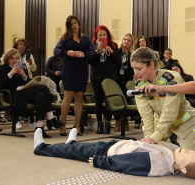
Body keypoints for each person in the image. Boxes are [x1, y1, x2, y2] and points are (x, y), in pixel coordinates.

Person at [34, 128, 195, 178]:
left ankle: (41, 148)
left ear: (184, 168)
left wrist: (101, 162)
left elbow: (128, 164)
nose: (188, 151)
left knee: (79, 151)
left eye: (188, 154)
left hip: (109, 153)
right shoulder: (172, 154)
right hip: (118, 145)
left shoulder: (160, 164)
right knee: (80, 148)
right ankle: (72, 144)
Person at [130, 47, 195, 150]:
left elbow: (170, 112)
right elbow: (146, 116)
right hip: (161, 125)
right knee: (154, 154)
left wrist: (156, 137)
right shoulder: (140, 85)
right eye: (133, 69)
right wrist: (149, 137)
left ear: (151, 64)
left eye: (139, 69)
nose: (135, 73)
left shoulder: (171, 78)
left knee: (188, 161)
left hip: (185, 123)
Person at [0, 48, 64, 138]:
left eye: (17, 58)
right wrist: (11, 73)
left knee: (41, 96)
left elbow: (28, 83)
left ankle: (39, 129)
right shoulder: (2, 68)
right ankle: (51, 118)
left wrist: (23, 75)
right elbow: (0, 85)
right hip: (13, 95)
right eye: (12, 58)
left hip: (25, 93)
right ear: (7, 59)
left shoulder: (21, 67)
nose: (15, 60)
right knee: (43, 88)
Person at [53, 15, 95, 136]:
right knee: (68, 96)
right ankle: (63, 125)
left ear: (79, 24)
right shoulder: (65, 38)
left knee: (80, 97)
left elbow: (92, 53)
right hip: (69, 70)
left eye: (75, 23)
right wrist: (68, 53)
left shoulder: (86, 38)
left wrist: (84, 55)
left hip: (81, 70)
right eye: (71, 24)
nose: (74, 25)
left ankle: (77, 126)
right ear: (68, 26)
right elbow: (55, 51)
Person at [89, 25, 119, 134]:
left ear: (108, 36)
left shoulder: (114, 46)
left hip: (109, 77)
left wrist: (111, 52)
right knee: (98, 101)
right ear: (96, 36)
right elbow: (90, 61)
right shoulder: (92, 46)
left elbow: (118, 61)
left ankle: (107, 124)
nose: (102, 36)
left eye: (104, 35)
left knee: (108, 101)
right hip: (96, 77)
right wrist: (97, 51)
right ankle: (99, 126)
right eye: (100, 35)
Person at [13, 37, 37, 128]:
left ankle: (31, 121)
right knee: (17, 101)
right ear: (16, 46)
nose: (22, 47)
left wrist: (31, 63)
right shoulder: (13, 54)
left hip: (27, 80)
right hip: (16, 81)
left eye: (24, 45)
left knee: (30, 99)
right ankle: (17, 121)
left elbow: (34, 69)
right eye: (20, 45)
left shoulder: (29, 55)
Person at [117, 33, 135, 131]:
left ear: (131, 43)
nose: (126, 41)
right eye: (125, 39)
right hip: (117, 79)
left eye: (129, 40)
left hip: (127, 80)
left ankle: (125, 122)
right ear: (122, 40)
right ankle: (117, 121)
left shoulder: (132, 54)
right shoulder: (117, 51)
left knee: (126, 100)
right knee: (118, 101)